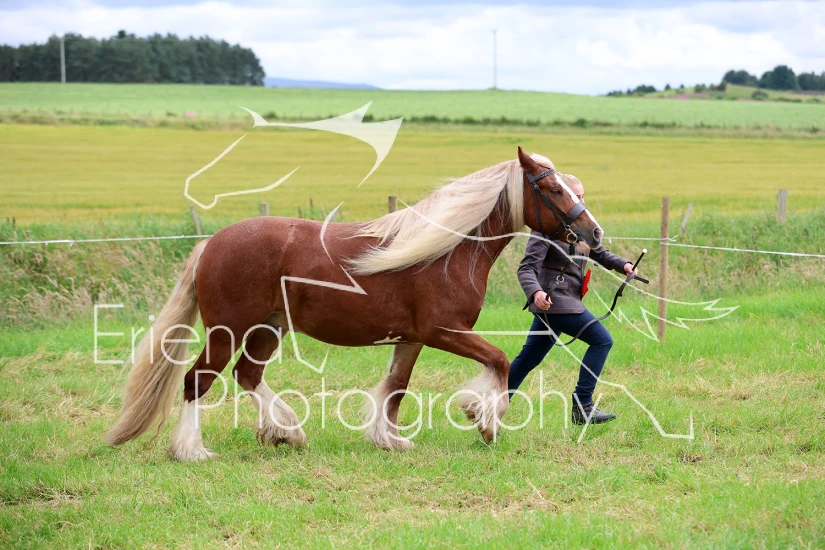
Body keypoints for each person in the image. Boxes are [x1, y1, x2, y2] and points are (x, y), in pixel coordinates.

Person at [508, 173, 636, 425]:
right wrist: (536, 292)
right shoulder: (545, 227)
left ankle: (491, 404)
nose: (580, 202)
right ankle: (583, 405)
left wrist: (624, 265)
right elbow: (527, 268)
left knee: (528, 359)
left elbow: (601, 253)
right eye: (576, 197)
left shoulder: (580, 226)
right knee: (602, 341)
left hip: (561, 303)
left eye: (582, 197)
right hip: (557, 301)